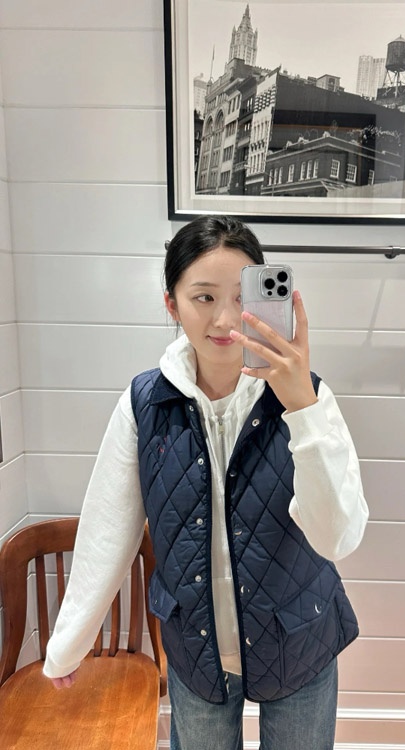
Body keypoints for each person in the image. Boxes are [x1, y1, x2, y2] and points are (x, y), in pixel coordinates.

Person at [44, 215, 368, 750]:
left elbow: (337, 537)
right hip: (196, 649)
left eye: (242, 297)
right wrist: (69, 642)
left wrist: (302, 409)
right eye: (203, 297)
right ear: (171, 304)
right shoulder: (145, 405)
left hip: (299, 638)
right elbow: (107, 530)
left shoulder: (308, 397)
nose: (225, 319)